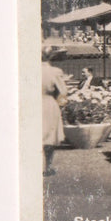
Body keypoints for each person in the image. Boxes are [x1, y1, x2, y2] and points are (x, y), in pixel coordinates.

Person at [42, 47, 68, 177]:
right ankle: (47, 166)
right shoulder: (55, 71)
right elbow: (62, 91)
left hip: (32, 102)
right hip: (48, 102)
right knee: (49, 135)